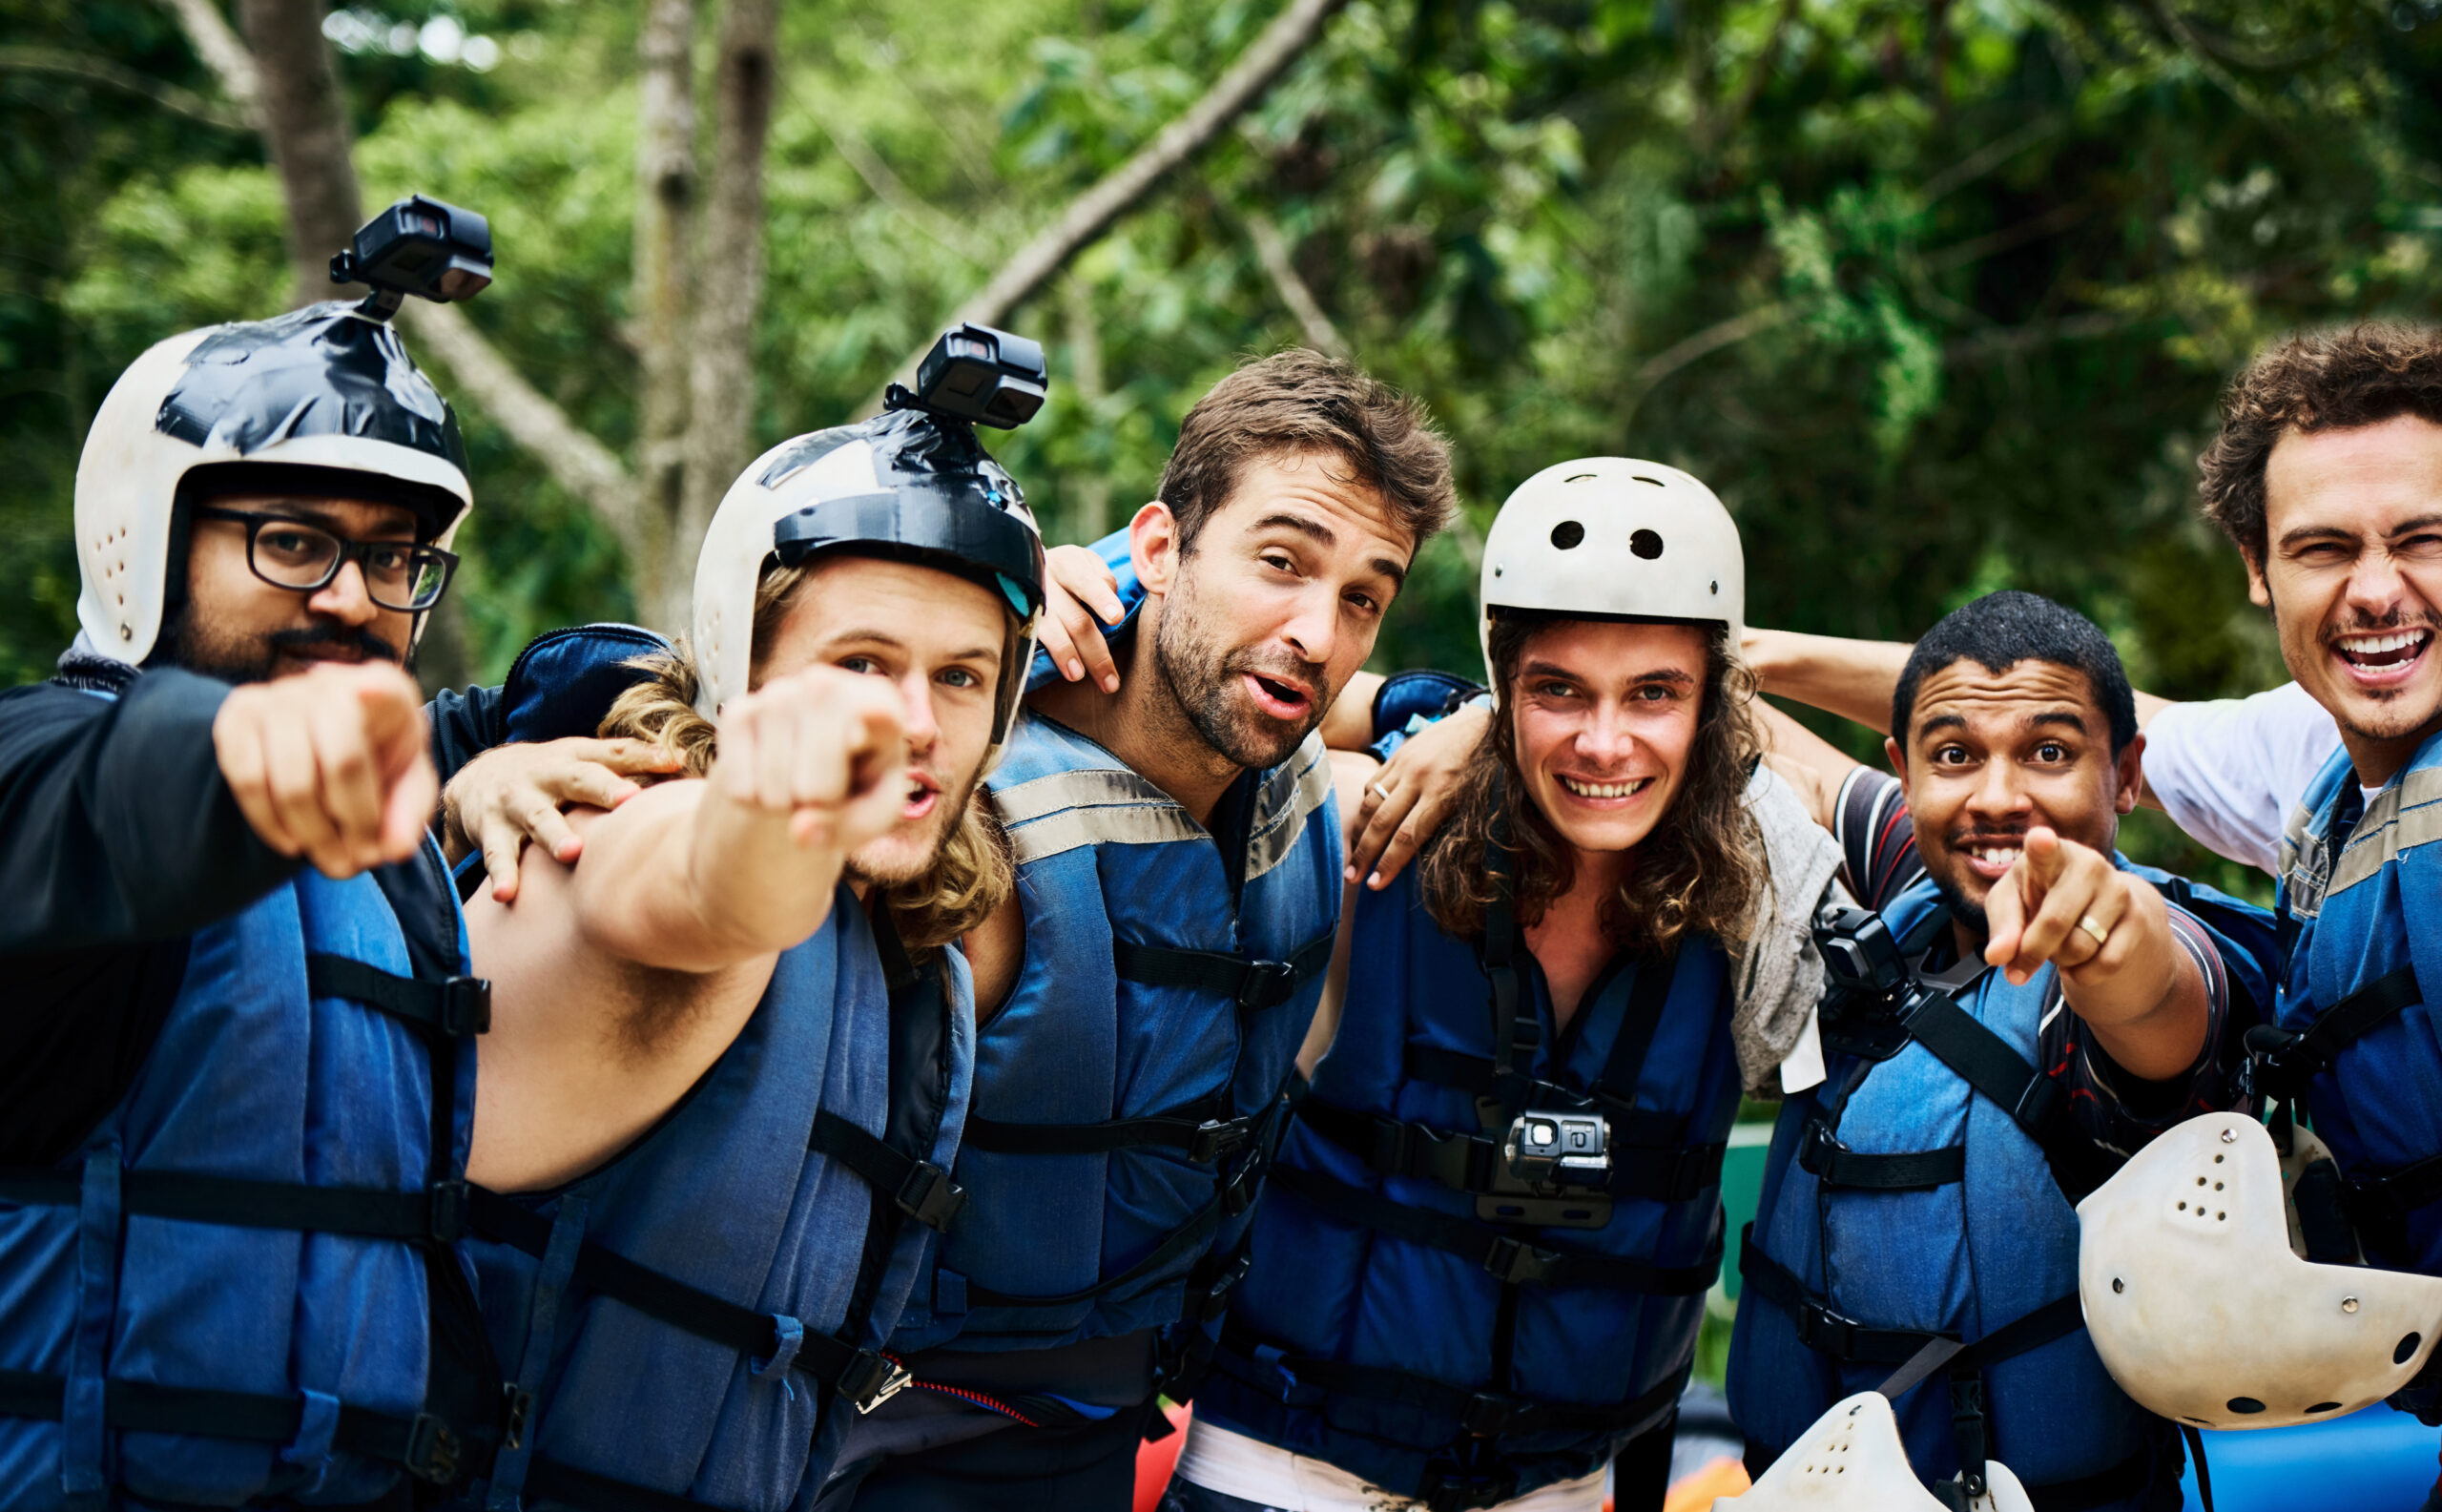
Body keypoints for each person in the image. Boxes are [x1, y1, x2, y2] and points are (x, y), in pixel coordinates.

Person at [792, 349, 1455, 1512]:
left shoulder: (1304, 789)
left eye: (1362, 597)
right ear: (1155, 551)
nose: (1316, 630)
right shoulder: (950, 783)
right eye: (1280, 561)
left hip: (1112, 1444)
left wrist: (1456, 714)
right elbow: (753, 700)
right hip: (867, 1452)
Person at [431, 398, 1044, 1509]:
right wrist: (780, 805)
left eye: (960, 675)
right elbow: (708, 884)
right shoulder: (618, 839)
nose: (912, 719)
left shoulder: (898, 939)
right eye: (858, 663)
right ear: (741, 668)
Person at [1158, 458, 1772, 1512]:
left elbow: (1982, 776)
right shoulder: (1365, 822)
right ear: (1503, 684)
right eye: (1556, 690)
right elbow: (1174, 698)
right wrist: (1095, 584)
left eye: (1655, 693)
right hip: (1283, 1464)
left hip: (1567, 1481)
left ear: (1711, 700)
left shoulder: (1762, 892)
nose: (1605, 741)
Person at [0, 291, 513, 1502]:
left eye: (394, 557)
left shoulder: (399, 840)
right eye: (291, 539)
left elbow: (476, 717)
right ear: (146, 538)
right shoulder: (42, 766)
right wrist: (232, 756)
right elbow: (94, 797)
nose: (351, 595)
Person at [1726, 590, 2276, 1510]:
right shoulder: (1920, 880)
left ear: (2127, 774)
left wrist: (2110, 934)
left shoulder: (2158, 951)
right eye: (1954, 755)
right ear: (1904, 774)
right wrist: (1474, 714)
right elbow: (1772, 752)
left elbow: (2159, 1002)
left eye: (2050, 753)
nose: (1997, 797)